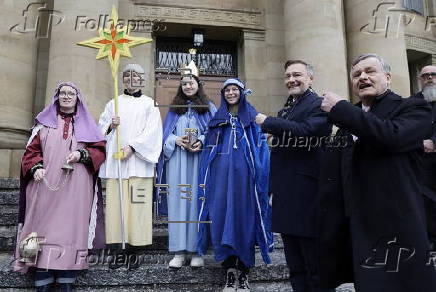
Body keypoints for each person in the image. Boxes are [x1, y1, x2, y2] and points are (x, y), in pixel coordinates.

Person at [318, 54, 436, 291]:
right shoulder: (347, 118)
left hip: (396, 226)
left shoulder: (413, 107)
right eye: (356, 74)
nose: (362, 77)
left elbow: (390, 137)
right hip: (356, 224)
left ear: (388, 77)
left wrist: (340, 108)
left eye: (370, 71)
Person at [15, 82, 106, 292]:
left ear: (77, 98)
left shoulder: (88, 125)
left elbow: (100, 151)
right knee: (42, 230)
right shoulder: (43, 125)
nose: (66, 97)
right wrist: (35, 168)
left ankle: (66, 279)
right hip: (45, 186)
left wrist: (82, 154)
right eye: (63, 93)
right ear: (57, 97)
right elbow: (30, 152)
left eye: (71, 93)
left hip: (77, 188)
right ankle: (43, 279)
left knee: (71, 232)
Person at [255, 60, 333, 292]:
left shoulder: (319, 104)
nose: (291, 80)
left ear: (311, 78)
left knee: (315, 266)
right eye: (288, 76)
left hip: (309, 196)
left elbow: (307, 132)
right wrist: (272, 189)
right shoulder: (288, 108)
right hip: (286, 195)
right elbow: (278, 154)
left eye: (297, 75)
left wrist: (267, 121)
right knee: (295, 266)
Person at [197, 78, 273, 292]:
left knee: (244, 221)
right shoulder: (217, 118)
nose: (231, 93)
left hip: (245, 181)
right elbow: (209, 146)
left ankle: (244, 272)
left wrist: (262, 178)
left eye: (234, 90)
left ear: (241, 92)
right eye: (227, 90)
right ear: (223, 94)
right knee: (221, 219)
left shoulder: (252, 116)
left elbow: (261, 150)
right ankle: (230, 272)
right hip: (221, 179)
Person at [98, 64, 162, 268]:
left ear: (142, 79)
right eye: (127, 75)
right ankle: (118, 249)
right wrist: (110, 125)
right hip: (117, 165)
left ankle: (135, 250)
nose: (131, 78)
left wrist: (133, 148)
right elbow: (99, 130)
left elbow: (153, 132)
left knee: (137, 207)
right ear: (123, 79)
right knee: (116, 208)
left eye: (136, 75)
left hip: (138, 164)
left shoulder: (150, 104)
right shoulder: (112, 103)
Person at [157, 61, 217, 268]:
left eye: (191, 83)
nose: (188, 86)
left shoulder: (209, 108)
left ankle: (197, 251)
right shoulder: (175, 110)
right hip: (177, 162)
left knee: (196, 205)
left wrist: (201, 139)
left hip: (199, 162)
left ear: (198, 85)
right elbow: (165, 136)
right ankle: (179, 252)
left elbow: (216, 132)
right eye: (184, 84)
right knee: (178, 205)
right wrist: (176, 141)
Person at [411, 65, 436, 249]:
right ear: (420, 79)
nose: (429, 78)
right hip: (420, 161)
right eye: (425, 75)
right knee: (424, 200)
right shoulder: (411, 102)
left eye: (433, 74)